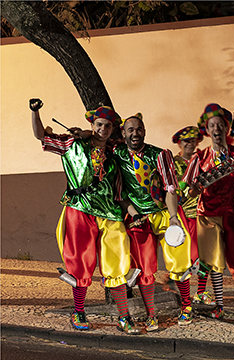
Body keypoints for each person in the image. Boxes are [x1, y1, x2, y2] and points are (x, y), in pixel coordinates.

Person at [30, 99, 139, 334]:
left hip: (109, 212)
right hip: (80, 209)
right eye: (99, 124)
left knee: (117, 264)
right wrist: (35, 111)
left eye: (108, 126)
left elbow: (131, 149)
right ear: (93, 122)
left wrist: (89, 133)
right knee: (81, 265)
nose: (103, 129)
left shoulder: (115, 151)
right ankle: (78, 311)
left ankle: (124, 316)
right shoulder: (72, 143)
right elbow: (41, 136)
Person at [113, 113, 194, 331]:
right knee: (144, 267)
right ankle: (151, 315)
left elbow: (170, 188)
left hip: (164, 212)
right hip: (139, 216)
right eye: (130, 130)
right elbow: (120, 193)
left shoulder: (160, 155)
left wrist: (174, 216)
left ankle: (187, 306)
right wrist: (134, 214)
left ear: (145, 131)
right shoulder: (116, 154)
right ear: (123, 133)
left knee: (179, 260)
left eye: (139, 129)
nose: (135, 133)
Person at [182, 103, 234, 319]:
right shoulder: (199, 158)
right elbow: (189, 191)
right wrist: (194, 189)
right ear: (207, 130)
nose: (217, 129)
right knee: (213, 260)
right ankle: (219, 304)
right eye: (212, 125)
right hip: (208, 213)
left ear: (226, 128)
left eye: (220, 125)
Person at [172, 126, 214, 305]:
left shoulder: (204, 161)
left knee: (206, 256)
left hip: (204, 212)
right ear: (179, 143)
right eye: (186, 140)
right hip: (183, 215)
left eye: (193, 140)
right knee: (186, 259)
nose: (190, 143)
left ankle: (201, 291)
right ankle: (185, 298)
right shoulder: (174, 163)